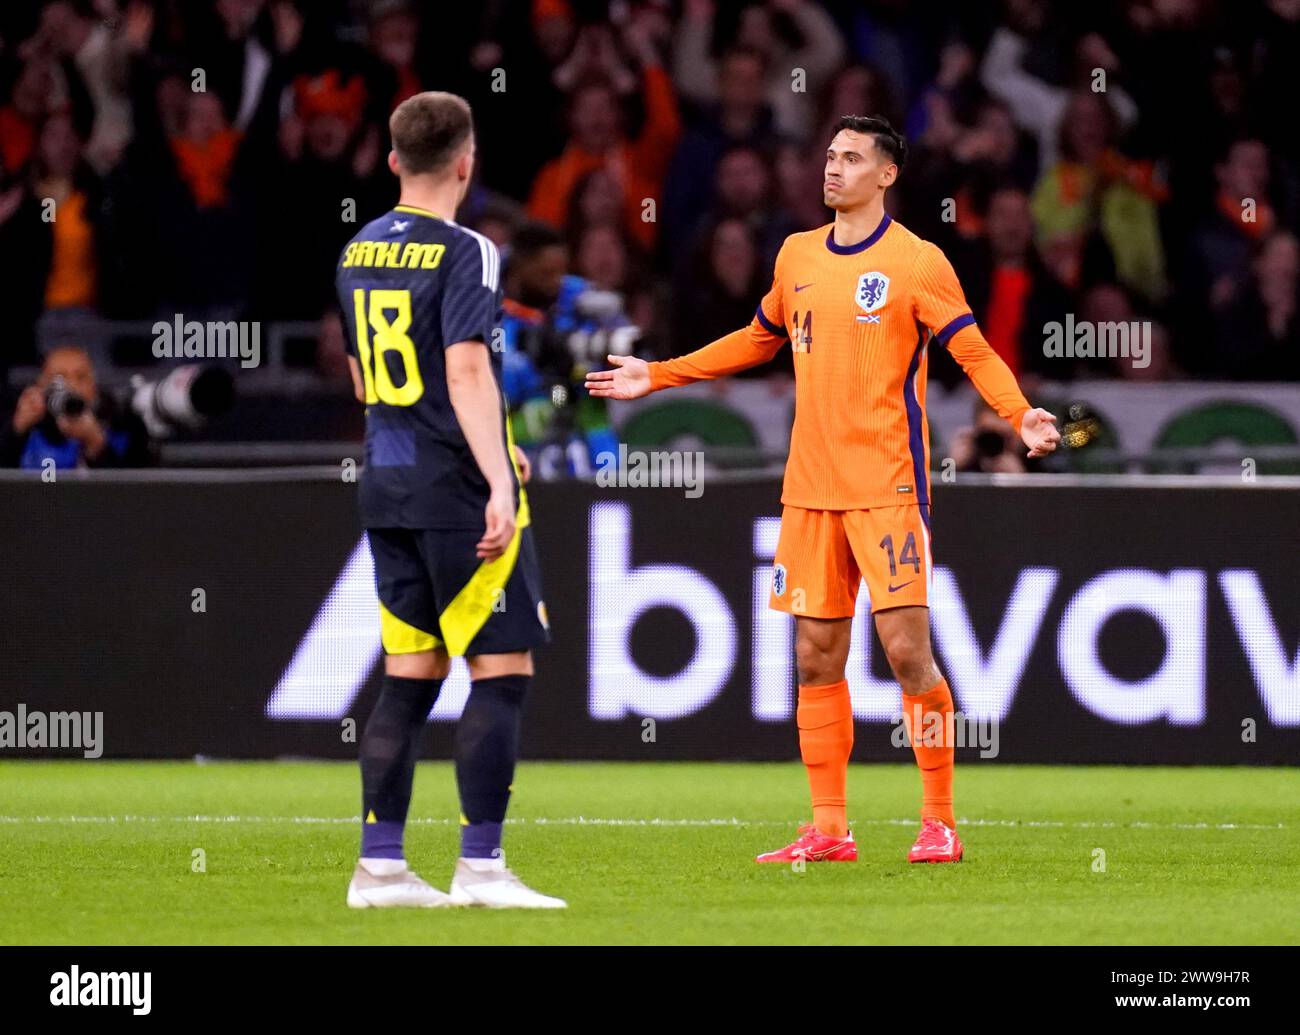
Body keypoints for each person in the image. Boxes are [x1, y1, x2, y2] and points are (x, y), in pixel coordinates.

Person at [587, 115, 1061, 866]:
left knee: (908, 655)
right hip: (810, 489)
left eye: (850, 158)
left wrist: (1018, 411)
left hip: (887, 484)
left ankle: (938, 819)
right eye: (830, 155)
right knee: (815, 658)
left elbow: (969, 346)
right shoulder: (797, 253)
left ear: (887, 174)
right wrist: (660, 373)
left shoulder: (918, 261)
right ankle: (830, 829)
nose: (832, 168)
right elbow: (757, 336)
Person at [336, 91, 562, 909]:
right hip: (454, 490)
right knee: (499, 670)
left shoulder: (356, 249)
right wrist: (498, 472)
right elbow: (466, 369)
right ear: (467, 161)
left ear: (394, 160)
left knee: (409, 673)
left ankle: (382, 868)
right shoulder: (468, 250)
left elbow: (365, 378)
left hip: (387, 480)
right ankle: (482, 868)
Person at [1, 344, 151, 469]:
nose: (71, 386)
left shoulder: (124, 423)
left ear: (94, 386)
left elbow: (131, 495)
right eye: (60, 378)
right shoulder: (18, 418)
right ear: (41, 385)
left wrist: (96, 445)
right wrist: (16, 431)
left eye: (81, 377)